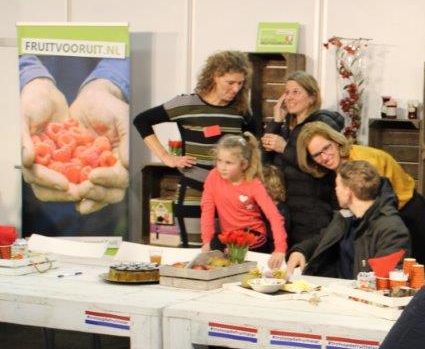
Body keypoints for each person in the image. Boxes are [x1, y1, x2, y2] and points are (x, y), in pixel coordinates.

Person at [133, 51, 257, 245]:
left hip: (230, 195)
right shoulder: (187, 104)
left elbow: (254, 145)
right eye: (230, 82)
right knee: (194, 252)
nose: (236, 89)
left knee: (228, 253)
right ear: (215, 76)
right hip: (194, 191)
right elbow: (141, 121)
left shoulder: (241, 109)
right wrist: (167, 157)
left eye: (240, 83)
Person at [296, 122, 425, 273]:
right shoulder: (333, 170)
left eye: (326, 148)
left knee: (418, 272)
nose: (324, 157)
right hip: (385, 219)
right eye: (316, 155)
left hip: (409, 213)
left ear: (336, 141)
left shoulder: (365, 162)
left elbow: (382, 205)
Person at [20, 54, 130, 231]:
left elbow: (134, 47)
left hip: (103, 207)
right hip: (30, 198)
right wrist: (29, 77)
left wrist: (111, 82)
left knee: (101, 235)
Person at [286, 160, 410, 279]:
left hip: (360, 292)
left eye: (337, 185)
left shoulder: (391, 229)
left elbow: (384, 282)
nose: (335, 189)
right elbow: (322, 238)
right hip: (334, 288)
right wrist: (301, 251)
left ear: (348, 192)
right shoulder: (346, 217)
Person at [258, 72, 343, 246]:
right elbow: (262, 164)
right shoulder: (285, 129)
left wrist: (284, 148)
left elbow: (319, 166)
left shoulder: (321, 125)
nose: (289, 97)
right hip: (286, 214)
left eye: (296, 92)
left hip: (313, 214)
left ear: (312, 97)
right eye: (287, 92)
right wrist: (276, 122)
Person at [199, 134, 286, 268]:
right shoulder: (213, 176)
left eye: (229, 163)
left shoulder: (253, 184)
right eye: (219, 161)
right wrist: (206, 242)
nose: (222, 167)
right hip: (229, 237)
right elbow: (207, 211)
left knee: (234, 251)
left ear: (243, 164)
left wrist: (280, 249)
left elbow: (274, 216)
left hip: (253, 235)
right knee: (215, 247)